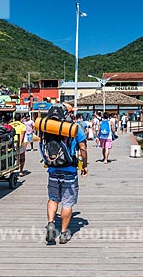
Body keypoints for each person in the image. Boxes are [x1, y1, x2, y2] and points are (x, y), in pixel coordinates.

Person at [45, 103, 88, 244]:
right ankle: (63, 233)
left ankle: (51, 223)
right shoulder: (75, 128)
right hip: (69, 170)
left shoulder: (48, 127)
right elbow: (83, 149)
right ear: (68, 113)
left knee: (53, 198)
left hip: (53, 169)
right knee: (67, 203)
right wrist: (85, 165)